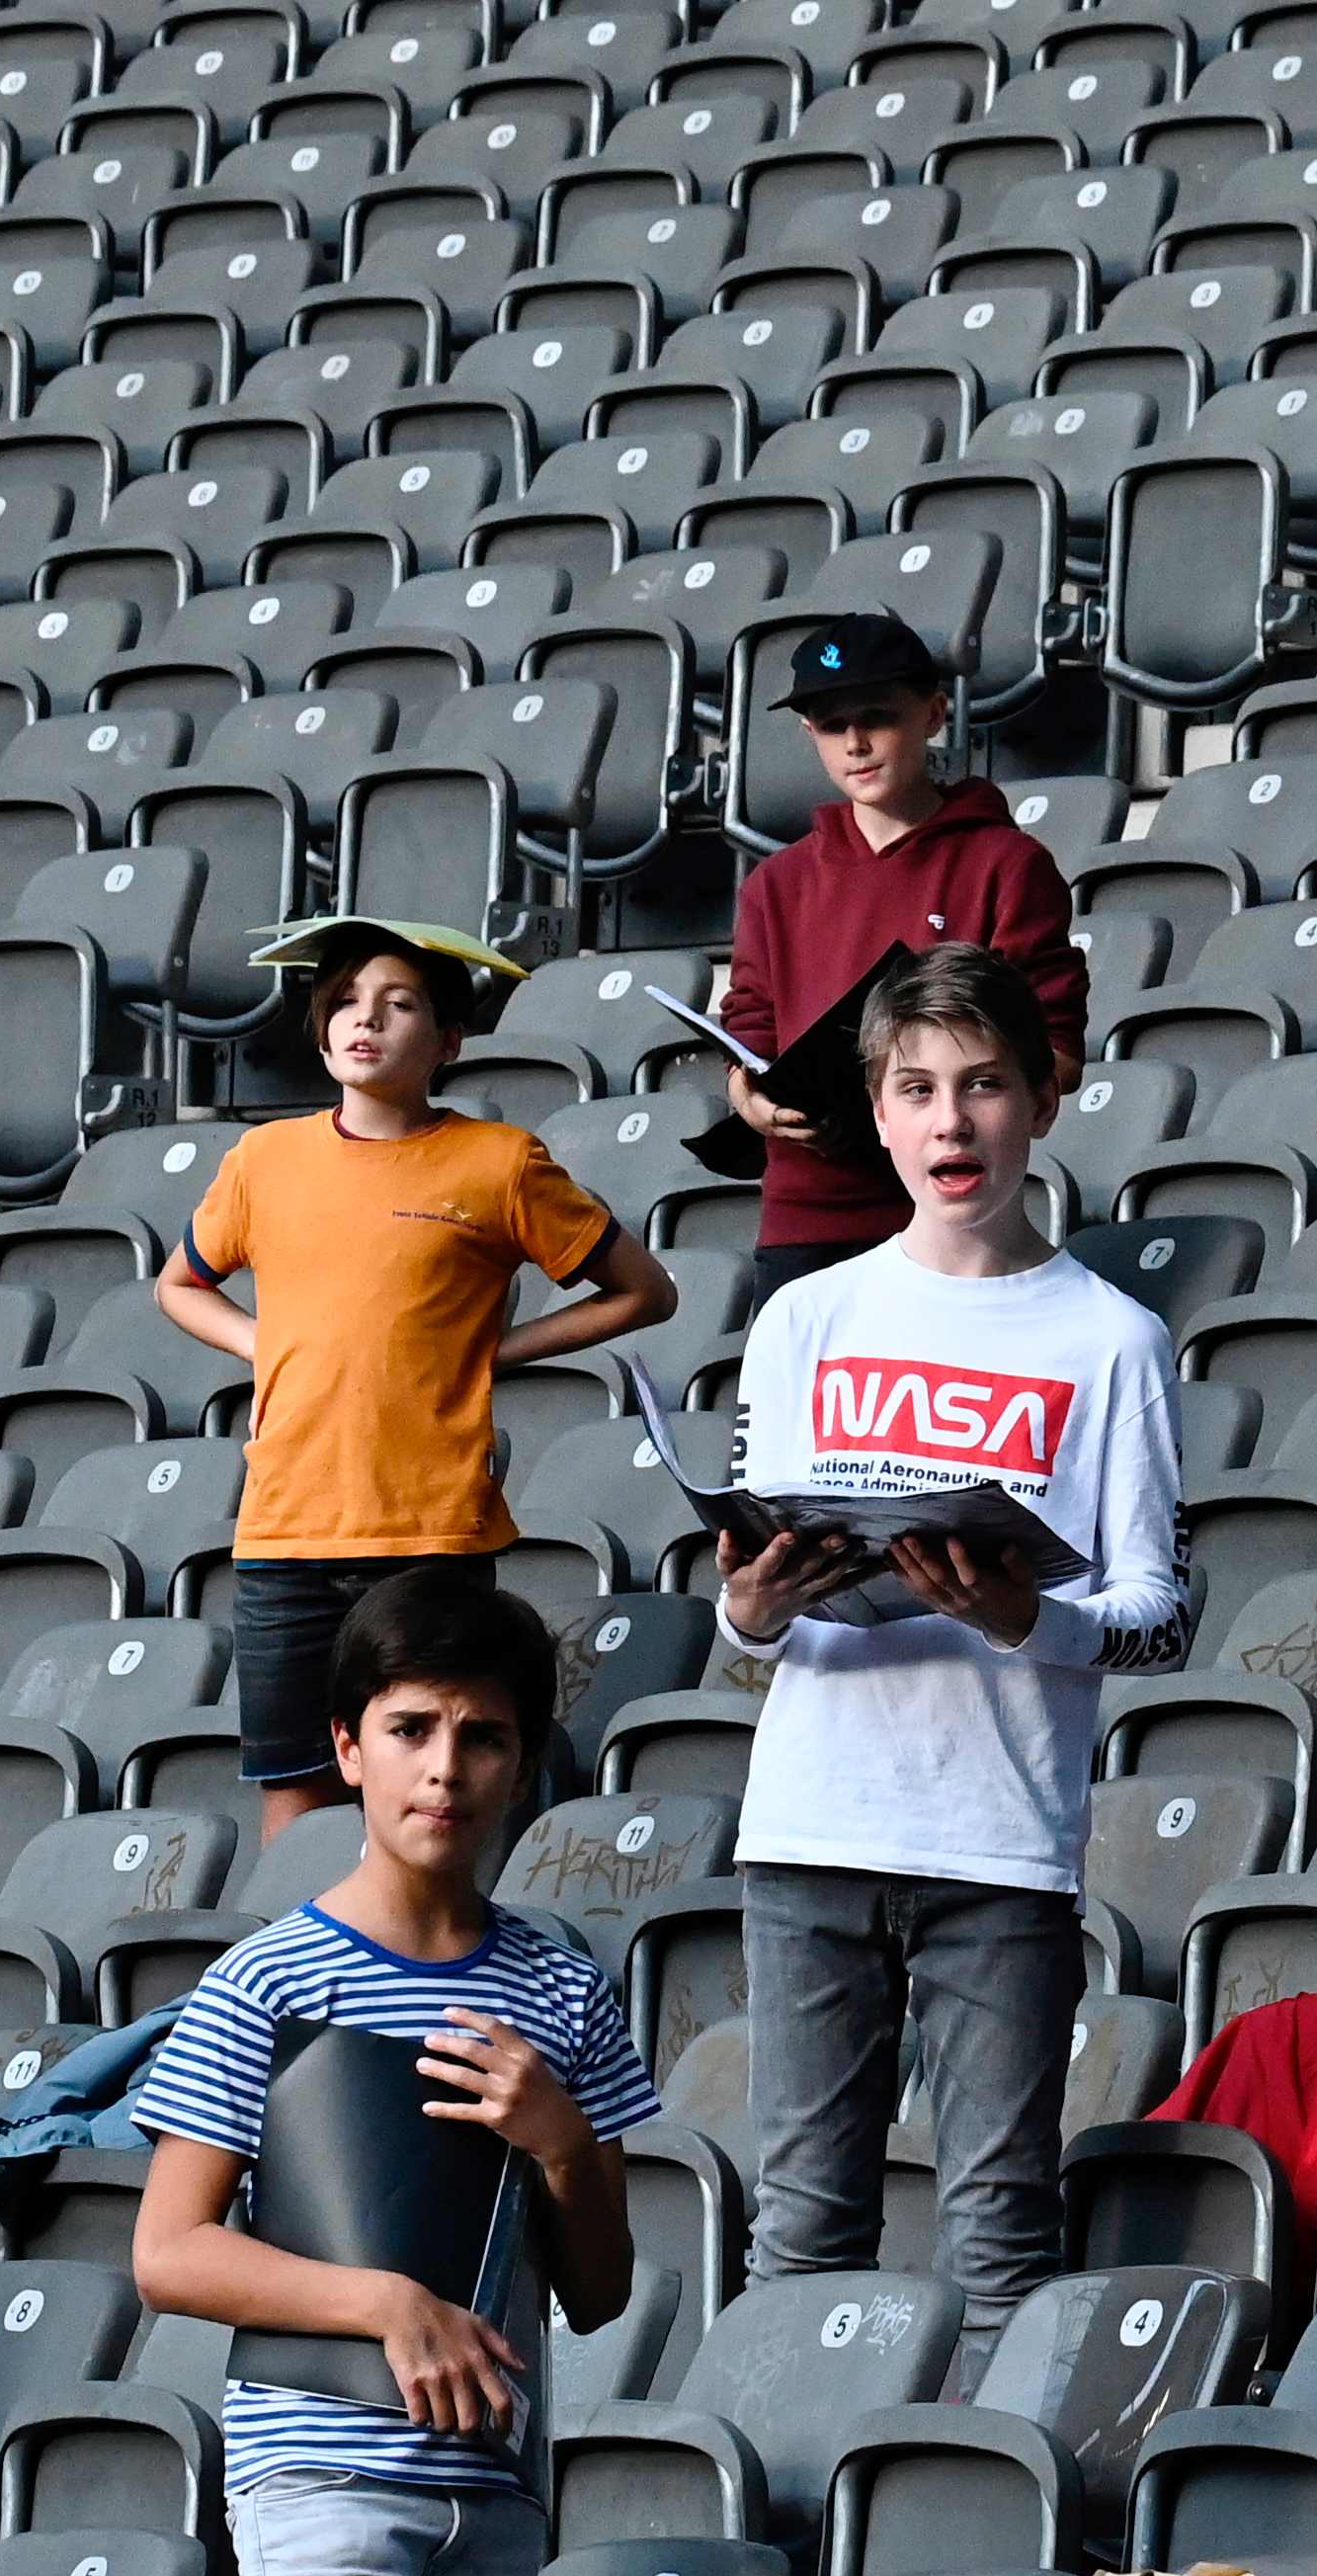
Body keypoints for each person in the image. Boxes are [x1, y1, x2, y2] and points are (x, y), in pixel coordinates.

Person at [719, 944, 1194, 2346]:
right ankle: (801, 2552)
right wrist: (756, 1604)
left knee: (999, 2238)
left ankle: (982, 2544)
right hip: (810, 1828)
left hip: (998, 1845)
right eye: (918, 1088)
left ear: (1042, 1102)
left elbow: (1159, 1614)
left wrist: (1020, 1616)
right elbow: (748, 1618)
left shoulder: (1112, 1339)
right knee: (801, 2235)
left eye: (984, 1086)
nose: (951, 1122)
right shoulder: (808, 1316)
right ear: (876, 1109)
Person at [126, 1568, 657, 2576]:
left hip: (495, 2491)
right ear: (349, 1747)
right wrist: (388, 2305)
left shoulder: (564, 1990)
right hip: (321, 2484)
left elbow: (600, 2291)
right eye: (410, 1728)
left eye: (483, 1737)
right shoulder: (266, 1981)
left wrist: (559, 2140)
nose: (444, 1768)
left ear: (522, 1765)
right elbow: (169, 2253)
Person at [156, 920, 682, 1841]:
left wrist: (496, 1352)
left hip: (429, 1533)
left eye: (399, 1005)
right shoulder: (262, 1160)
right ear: (321, 1031)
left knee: (434, 1802)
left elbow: (644, 1291)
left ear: (446, 1042)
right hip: (283, 1532)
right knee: (298, 1798)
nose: (367, 1021)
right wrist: (264, 1343)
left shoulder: (500, 1161)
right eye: (348, 1003)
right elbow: (179, 1284)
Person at [716, 614, 1092, 1301]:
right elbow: (749, 1032)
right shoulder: (776, 883)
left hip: (953, 1215)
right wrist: (751, 1098)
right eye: (831, 726)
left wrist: (938, 1080)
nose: (856, 744)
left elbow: (1057, 1055)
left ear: (935, 714)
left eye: (877, 717)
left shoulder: (1005, 865)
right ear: (810, 736)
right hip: (803, 1218)